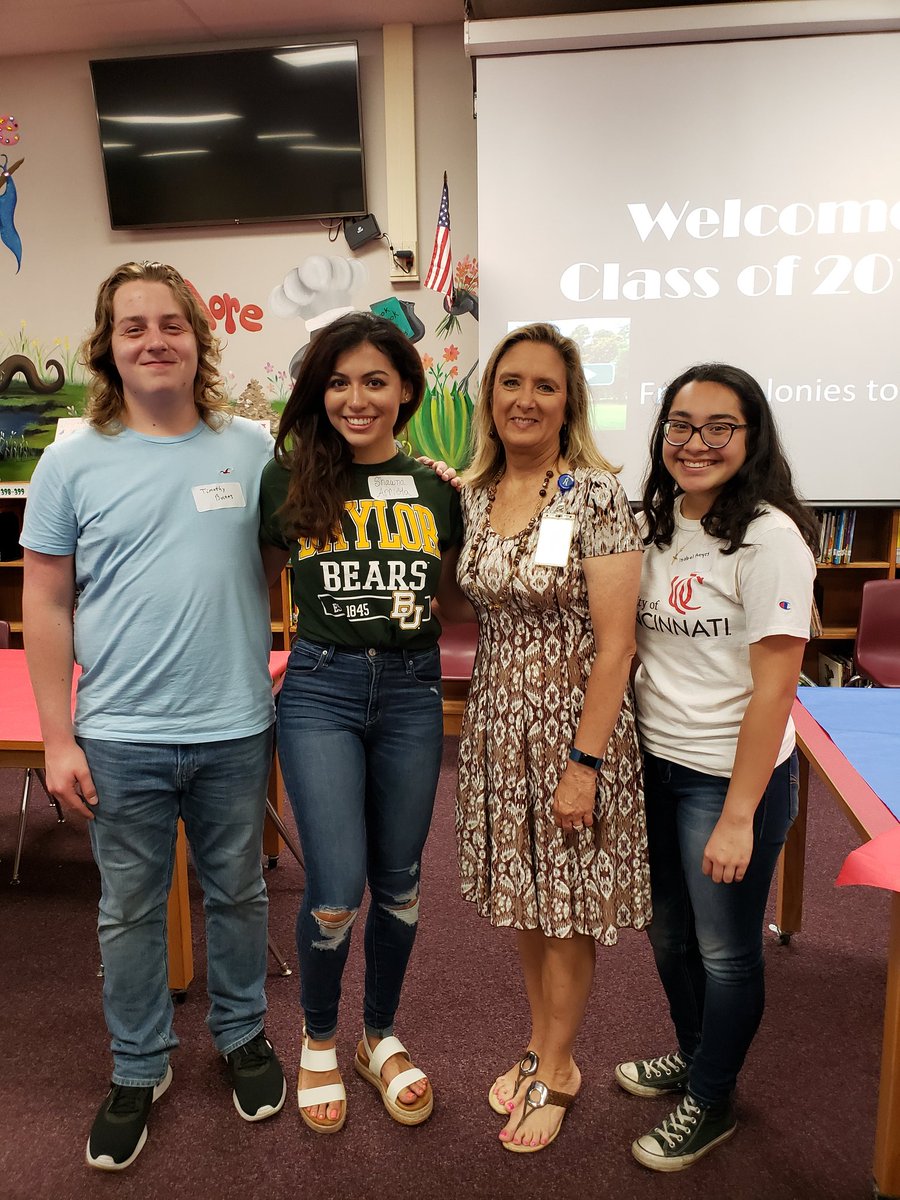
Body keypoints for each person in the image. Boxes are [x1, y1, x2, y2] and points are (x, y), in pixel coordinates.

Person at [21, 260, 285, 1172]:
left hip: (233, 725)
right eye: (133, 327)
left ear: (197, 340)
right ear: (108, 347)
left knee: (241, 894)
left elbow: (291, 553)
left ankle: (243, 1034)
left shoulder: (252, 448)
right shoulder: (70, 459)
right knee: (128, 911)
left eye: (170, 324)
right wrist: (59, 737)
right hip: (121, 733)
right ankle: (138, 1067)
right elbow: (46, 605)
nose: (153, 340)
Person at [258, 311, 463, 1133]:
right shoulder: (288, 481)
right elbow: (250, 585)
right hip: (319, 690)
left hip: (414, 692)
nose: (356, 397)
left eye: (375, 380)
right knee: (338, 890)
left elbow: (455, 601)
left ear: (406, 390)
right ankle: (317, 1039)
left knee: (404, 886)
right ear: (318, 392)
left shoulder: (437, 487)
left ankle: (378, 1036)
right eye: (338, 382)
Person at [451, 322, 651, 1153]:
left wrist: (584, 764)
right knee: (528, 901)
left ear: (569, 401)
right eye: (510, 383)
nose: (524, 399)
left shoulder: (595, 496)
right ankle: (542, 1044)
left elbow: (618, 645)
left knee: (566, 908)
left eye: (544, 385)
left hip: (574, 731)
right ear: (489, 397)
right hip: (498, 728)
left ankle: (559, 1067)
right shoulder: (474, 490)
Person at [615, 362, 818, 1171]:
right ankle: (698, 1059)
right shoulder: (658, 524)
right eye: (679, 425)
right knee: (669, 937)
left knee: (726, 949)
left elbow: (775, 692)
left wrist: (740, 813)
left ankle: (713, 1097)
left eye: (718, 427)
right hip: (656, 765)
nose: (695, 443)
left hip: (729, 779)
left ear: (751, 436)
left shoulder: (769, 538)